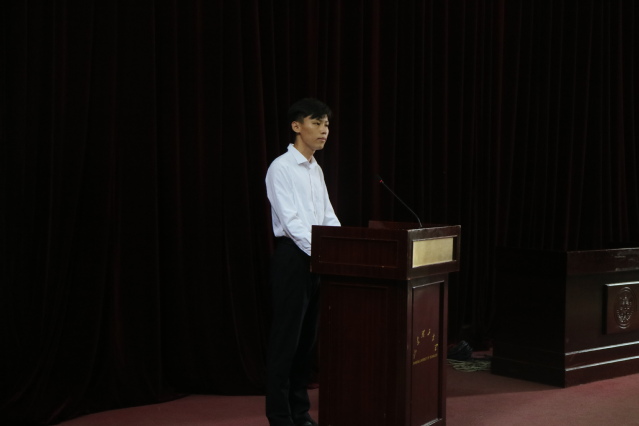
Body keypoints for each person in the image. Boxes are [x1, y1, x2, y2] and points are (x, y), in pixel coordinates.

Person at [264, 98, 341, 426]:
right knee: (287, 342)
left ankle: (300, 412)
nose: (324, 130)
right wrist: (323, 253)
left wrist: (341, 247)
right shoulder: (280, 168)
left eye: (327, 124)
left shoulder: (315, 169)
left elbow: (327, 215)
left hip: (317, 260)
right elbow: (292, 222)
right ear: (297, 126)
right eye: (317, 123)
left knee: (307, 342)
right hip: (293, 259)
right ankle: (280, 417)